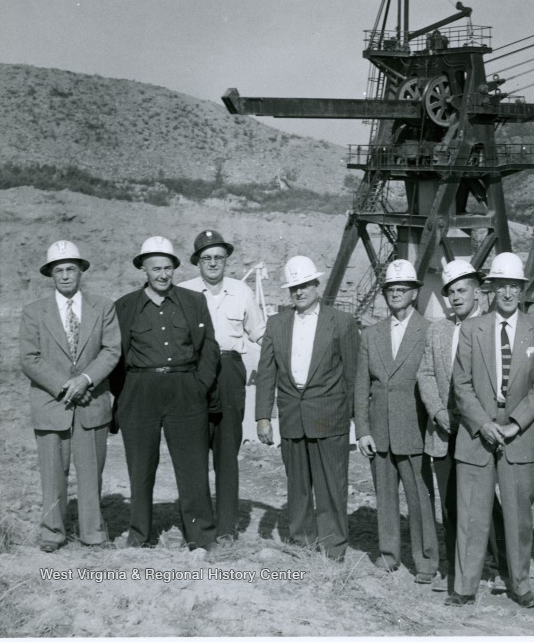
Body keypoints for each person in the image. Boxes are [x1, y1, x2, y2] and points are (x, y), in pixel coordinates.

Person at [449, 251, 534, 608]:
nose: (507, 292)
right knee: (472, 514)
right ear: (490, 288)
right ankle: (464, 587)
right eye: (501, 285)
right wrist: (483, 423)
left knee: (518, 516)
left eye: (514, 285)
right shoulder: (470, 329)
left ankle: (520, 584)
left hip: (519, 437)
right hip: (478, 434)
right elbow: (461, 384)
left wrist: (513, 425)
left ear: (522, 289)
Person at [112, 236, 219, 550]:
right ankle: (139, 535)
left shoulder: (193, 301)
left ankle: (201, 538)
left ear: (174, 268)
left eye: (167, 268)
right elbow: (115, 354)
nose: (162, 274)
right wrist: (121, 396)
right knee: (140, 467)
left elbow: (209, 347)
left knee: (193, 467)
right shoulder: (125, 306)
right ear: (143, 270)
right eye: (155, 268)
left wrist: (199, 386)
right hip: (139, 390)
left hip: (185, 389)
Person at [255, 256, 359, 560]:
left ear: (317, 285)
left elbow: (352, 376)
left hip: (330, 419)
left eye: (304, 285)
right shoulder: (276, 323)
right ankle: (301, 541)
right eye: (294, 287)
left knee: (331, 486)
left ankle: (333, 547)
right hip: (292, 418)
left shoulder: (341, 322)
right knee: (297, 486)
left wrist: (355, 421)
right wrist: (263, 417)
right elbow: (266, 373)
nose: (299, 292)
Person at [19, 240, 121, 552]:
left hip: (92, 402)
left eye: (71, 269)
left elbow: (111, 349)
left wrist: (86, 379)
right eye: (59, 270)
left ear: (81, 272)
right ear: (50, 274)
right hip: (52, 403)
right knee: (52, 472)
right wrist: (66, 384)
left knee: (91, 472)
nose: (65, 276)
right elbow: (29, 358)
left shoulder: (102, 307)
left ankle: (92, 532)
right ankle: (52, 532)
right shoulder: (34, 312)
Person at [417, 259, 510, 594]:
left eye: (462, 290)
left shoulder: (491, 327)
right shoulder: (439, 330)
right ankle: (459, 573)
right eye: (451, 292)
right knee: (451, 505)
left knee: (488, 502)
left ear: (477, 291)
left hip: (479, 431)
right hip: (445, 430)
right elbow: (425, 374)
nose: (456, 297)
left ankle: (507, 567)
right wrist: (438, 410)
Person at [354, 259, 438, 583]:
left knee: (419, 499)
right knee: (385, 497)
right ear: (385, 293)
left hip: (413, 430)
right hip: (379, 432)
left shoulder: (429, 331)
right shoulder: (371, 334)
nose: (396, 293)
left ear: (414, 292)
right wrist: (362, 430)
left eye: (402, 288)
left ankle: (427, 561)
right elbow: (362, 387)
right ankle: (388, 555)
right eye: (391, 288)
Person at [179, 229, 265, 540]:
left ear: (226, 261)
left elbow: (260, 333)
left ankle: (227, 527)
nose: (213, 263)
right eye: (207, 258)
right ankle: (199, 527)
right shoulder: (183, 292)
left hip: (229, 370)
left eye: (219, 257)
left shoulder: (241, 292)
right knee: (194, 450)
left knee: (227, 451)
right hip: (192, 372)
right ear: (197, 262)